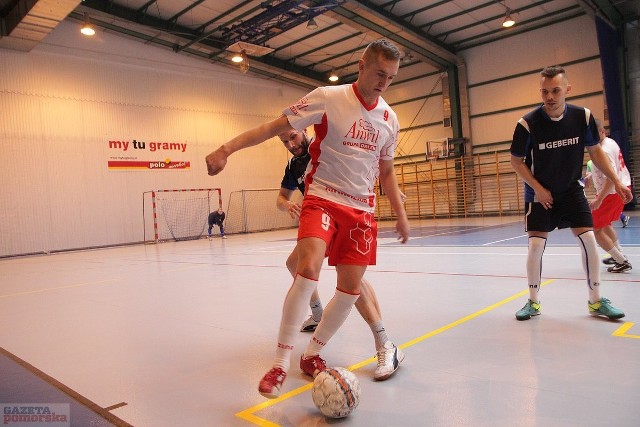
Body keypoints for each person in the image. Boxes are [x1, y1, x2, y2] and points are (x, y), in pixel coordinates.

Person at [206, 39, 410, 399]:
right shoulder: (329, 97)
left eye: (391, 78)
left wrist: (401, 213)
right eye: (380, 73)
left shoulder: (389, 119)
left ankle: (312, 352)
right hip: (324, 198)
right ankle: (281, 363)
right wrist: (226, 149)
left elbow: (388, 173)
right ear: (362, 65)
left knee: (349, 291)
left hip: (362, 211)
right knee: (307, 267)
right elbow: (270, 128)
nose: (383, 83)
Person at [277, 127, 404, 381]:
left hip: (348, 214)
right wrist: (287, 204)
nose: (291, 144)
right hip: (322, 217)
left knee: (351, 284)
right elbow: (281, 196)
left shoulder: (326, 147)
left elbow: (366, 164)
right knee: (295, 264)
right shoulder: (294, 165)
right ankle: (317, 314)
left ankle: (385, 343)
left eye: (293, 137)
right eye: (284, 141)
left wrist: (391, 192)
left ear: (304, 130)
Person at [509, 65, 632, 321]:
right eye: (544, 92)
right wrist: (538, 189)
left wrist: (616, 181)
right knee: (535, 245)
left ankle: (596, 301)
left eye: (555, 90)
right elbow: (516, 162)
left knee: (589, 240)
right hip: (539, 194)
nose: (550, 97)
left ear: (567, 89)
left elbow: (595, 152)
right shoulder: (527, 124)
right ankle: (533, 302)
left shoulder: (582, 117)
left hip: (571, 191)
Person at [587, 120, 632, 273]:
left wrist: (599, 199)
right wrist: (590, 176)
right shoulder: (611, 142)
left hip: (611, 193)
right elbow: (606, 170)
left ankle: (621, 261)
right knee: (605, 224)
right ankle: (618, 255)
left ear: (602, 132)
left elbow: (610, 178)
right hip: (620, 188)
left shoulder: (603, 150)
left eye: (595, 133)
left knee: (596, 229)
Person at [585, 160, 631, 229]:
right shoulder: (590, 163)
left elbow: (611, 176)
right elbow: (589, 173)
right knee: (604, 224)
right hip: (602, 190)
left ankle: (623, 217)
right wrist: (588, 176)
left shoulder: (604, 156)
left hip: (609, 191)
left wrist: (599, 199)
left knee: (596, 226)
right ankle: (623, 218)